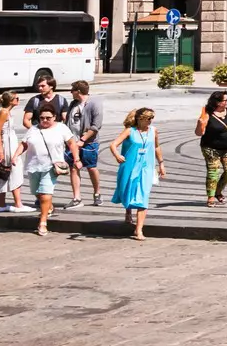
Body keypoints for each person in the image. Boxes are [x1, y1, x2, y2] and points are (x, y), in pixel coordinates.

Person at [18, 104, 78, 237]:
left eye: (48, 118)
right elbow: (24, 144)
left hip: (52, 166)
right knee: (36, 192)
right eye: (42, 118)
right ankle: (49, 207)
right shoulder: (33, 129)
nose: (44, 120)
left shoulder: (61, 128)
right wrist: (16, 156)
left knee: (45, 192)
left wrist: (77, 158)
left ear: (54, 117)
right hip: (34, 165)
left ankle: (43, 222)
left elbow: (71, 143)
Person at [109, 108, 164, 239]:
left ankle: (139, 230)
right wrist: (117, 155)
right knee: (128, 191)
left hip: (146, 167)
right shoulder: (130, 131)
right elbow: (113, 144)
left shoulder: (153, 131)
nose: (150, 121)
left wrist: (161, 163)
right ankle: (128, 211)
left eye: (152, 118)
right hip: (130, 166)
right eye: (148, 118)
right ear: (140, 119)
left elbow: (156, 146)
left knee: (143, 195)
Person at [194, 91, 227, 206]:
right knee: (213, 172)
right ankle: (211, 197)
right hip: (211, 149)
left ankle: (218, 190)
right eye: (225, 100)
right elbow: (199, 133)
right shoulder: (207, 113)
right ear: (217, 102)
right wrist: (200, 124)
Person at [65, 79, 105, 207]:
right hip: (73, 141)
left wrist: (83, 140)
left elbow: (96, 125)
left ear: (78, 91)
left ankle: (97, 193)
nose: (70, 92)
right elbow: (68, 121)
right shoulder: (73, 104)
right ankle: (77, 197)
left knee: (91, 167)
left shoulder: (94, 104)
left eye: (72, 90)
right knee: (74, 167)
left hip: (89, 142)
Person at [0, 91, 24, 211]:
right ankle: (18, 204)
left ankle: (2, 204)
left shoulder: (7, 112)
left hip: (10, 142)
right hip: (7, 144)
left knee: (3, 172)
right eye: (16, 98)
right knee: (13, 170)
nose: (18, 100)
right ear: (10, 100)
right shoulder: (4, 112)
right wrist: (0, 151)